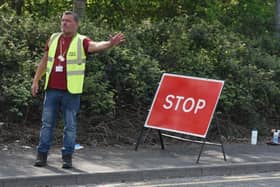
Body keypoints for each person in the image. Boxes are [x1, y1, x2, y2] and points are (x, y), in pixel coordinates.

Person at [31, 11, 125, 169]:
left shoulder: (82, 40)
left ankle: (67, 158)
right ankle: (42, 156)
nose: (64, 23)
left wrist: (109, 44)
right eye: (62, 20)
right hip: (52, 89)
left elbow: (95, 46)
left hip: (71, 91)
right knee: (47, 124)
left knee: (70, 126)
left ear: (76, 24)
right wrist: (36, 80)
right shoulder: (54, 38)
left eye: (68, 21)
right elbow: (45, 60)